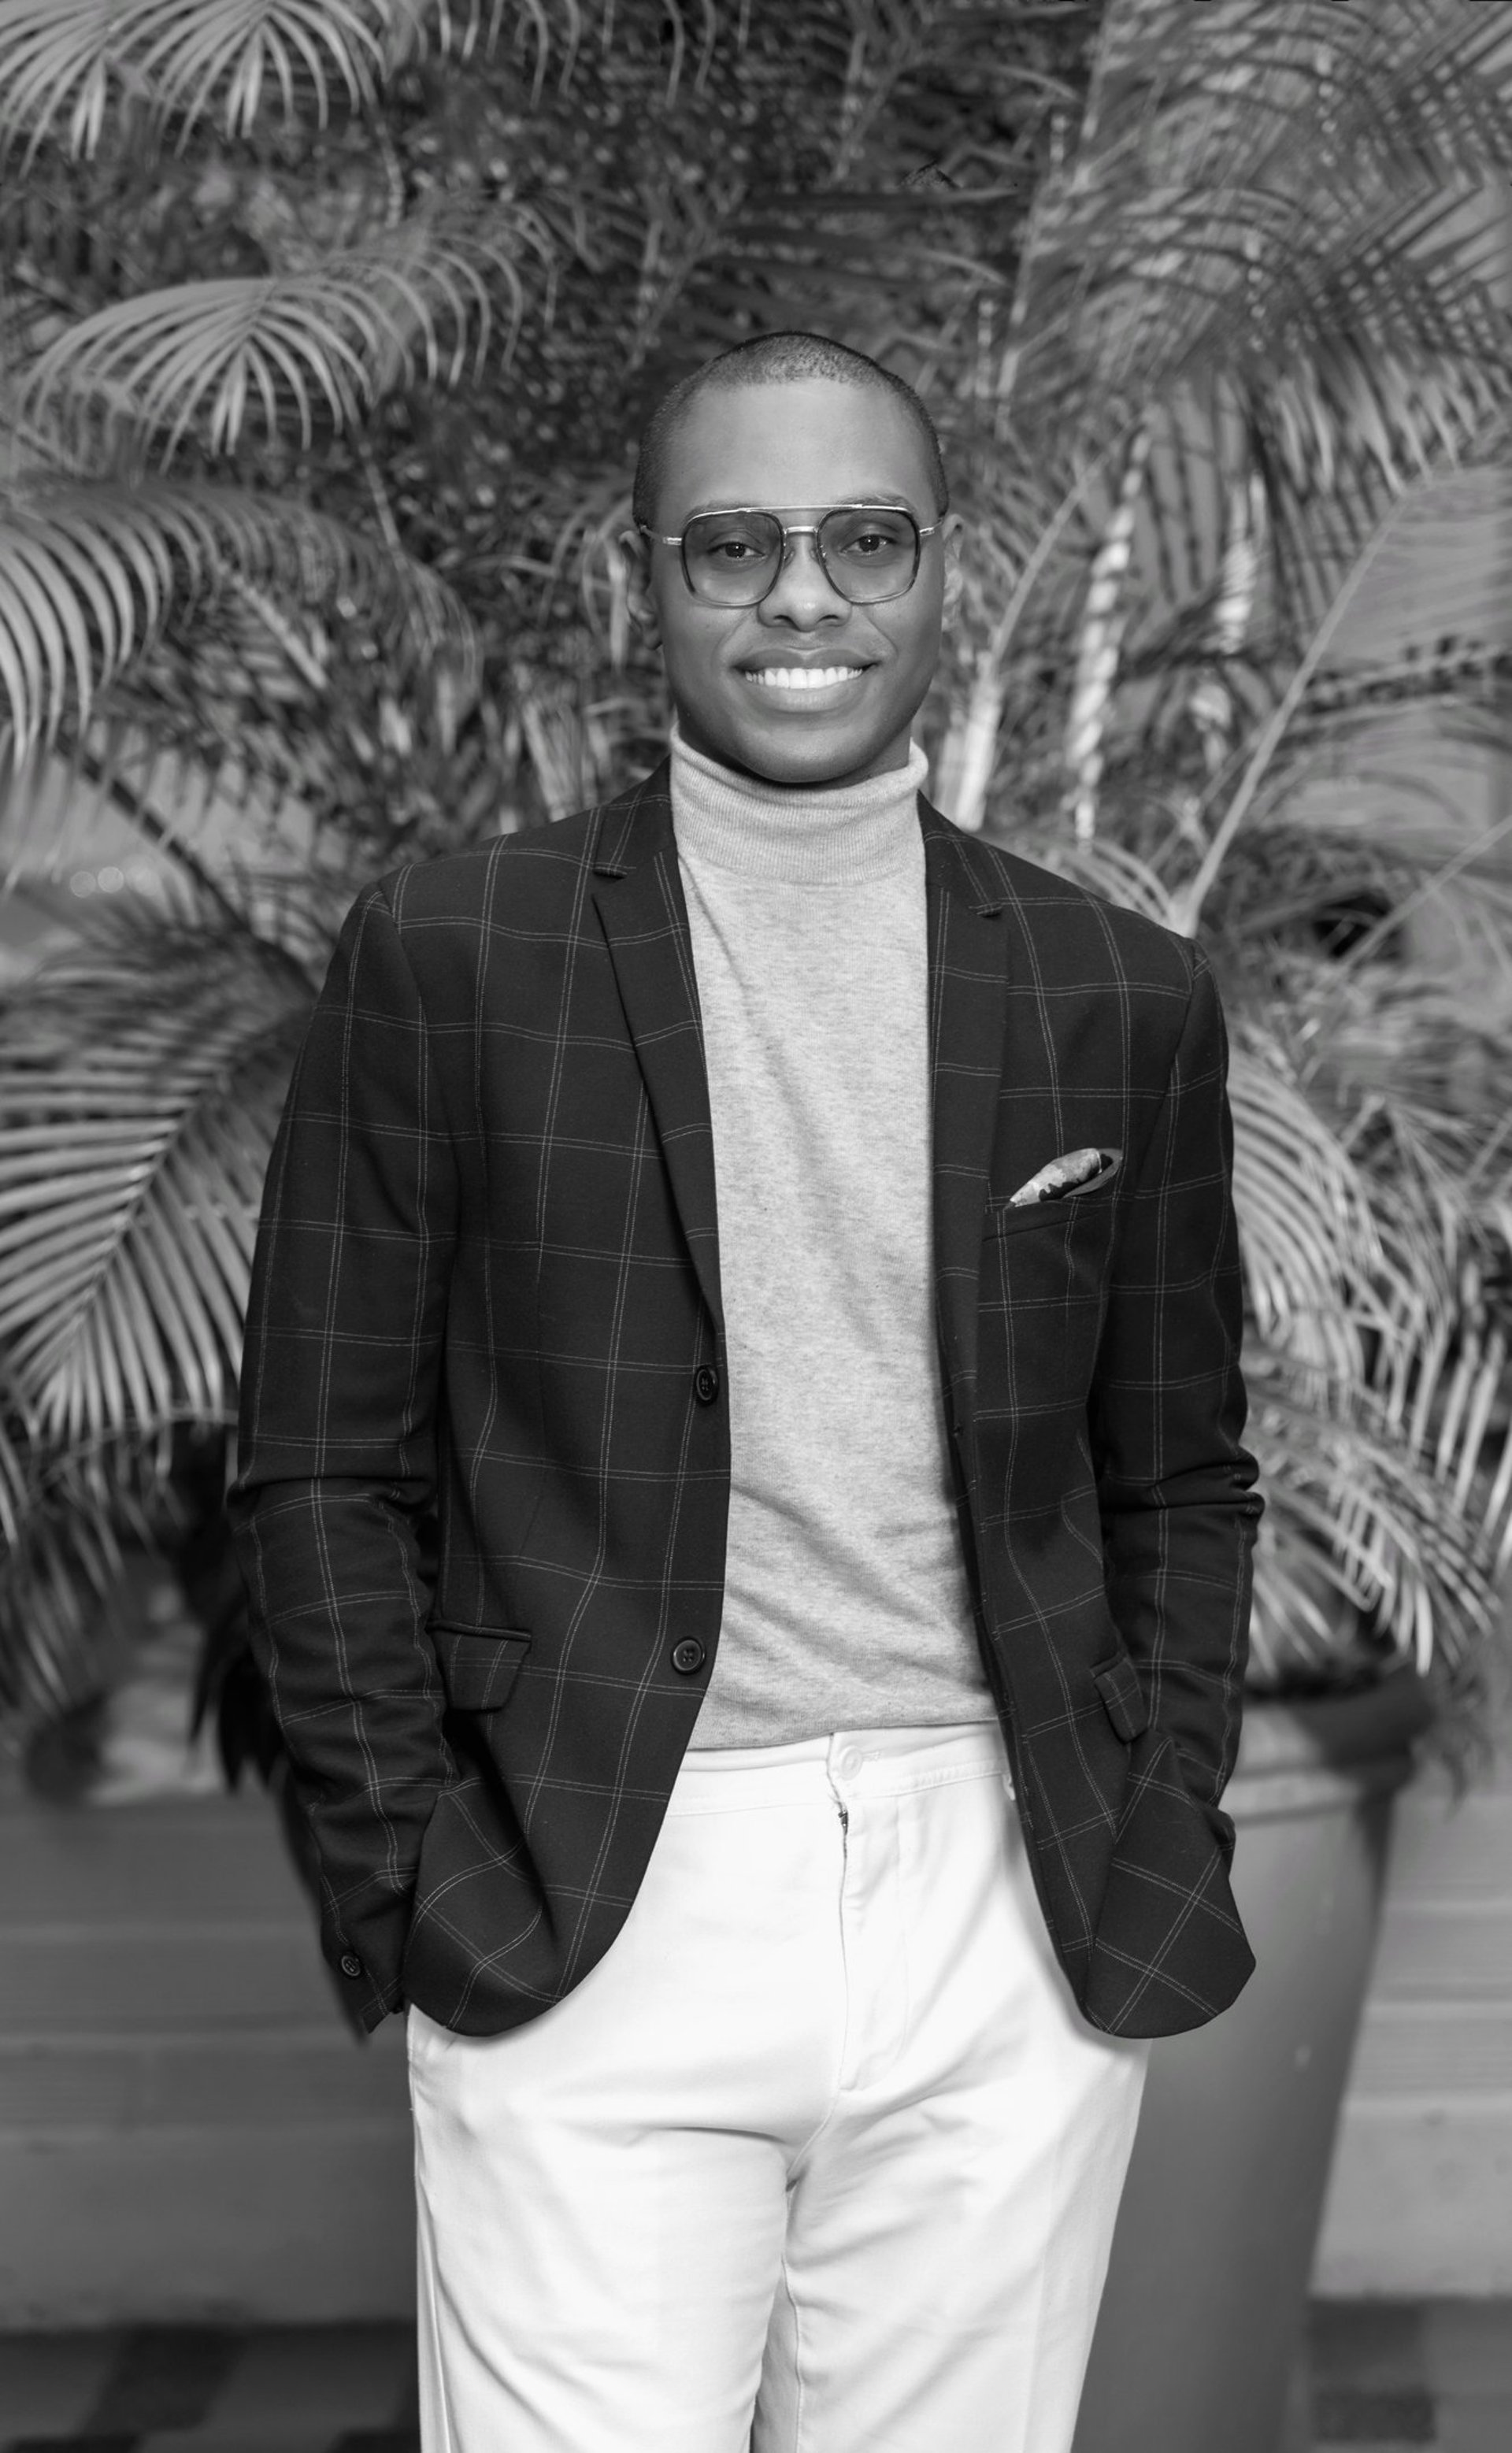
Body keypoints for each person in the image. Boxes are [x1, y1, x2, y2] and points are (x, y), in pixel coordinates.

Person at [230, 330, 1262, 2453]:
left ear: (942, 569)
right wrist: (420, 1874)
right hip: (591, 1889)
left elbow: (1180, 1473)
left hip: (1008, 1908)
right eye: (738, 544)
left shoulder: (1113, 995)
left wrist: (1155, 1810)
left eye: (863, 536)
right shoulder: (456, 951)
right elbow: (319, 1466)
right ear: (649, 584)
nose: (804, 596)